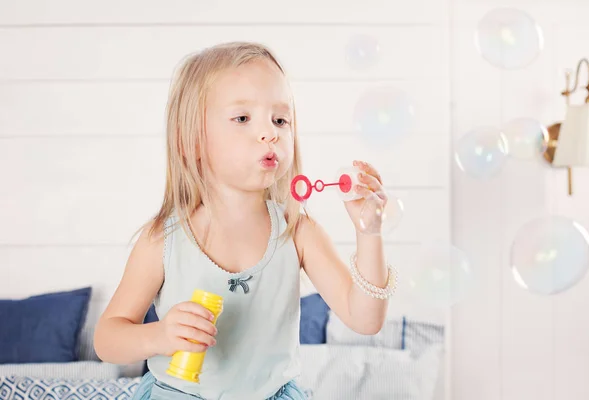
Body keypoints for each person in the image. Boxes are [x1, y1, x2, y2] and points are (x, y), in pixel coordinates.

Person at [93, 41, 396, 400]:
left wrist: (369, 232)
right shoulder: (163, 239)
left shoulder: (297, 232)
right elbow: (107, 339)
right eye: (242, 118)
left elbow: (365, 320)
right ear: (192, 141)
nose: (270, 132)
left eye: (280, 119)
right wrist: (158, 336)